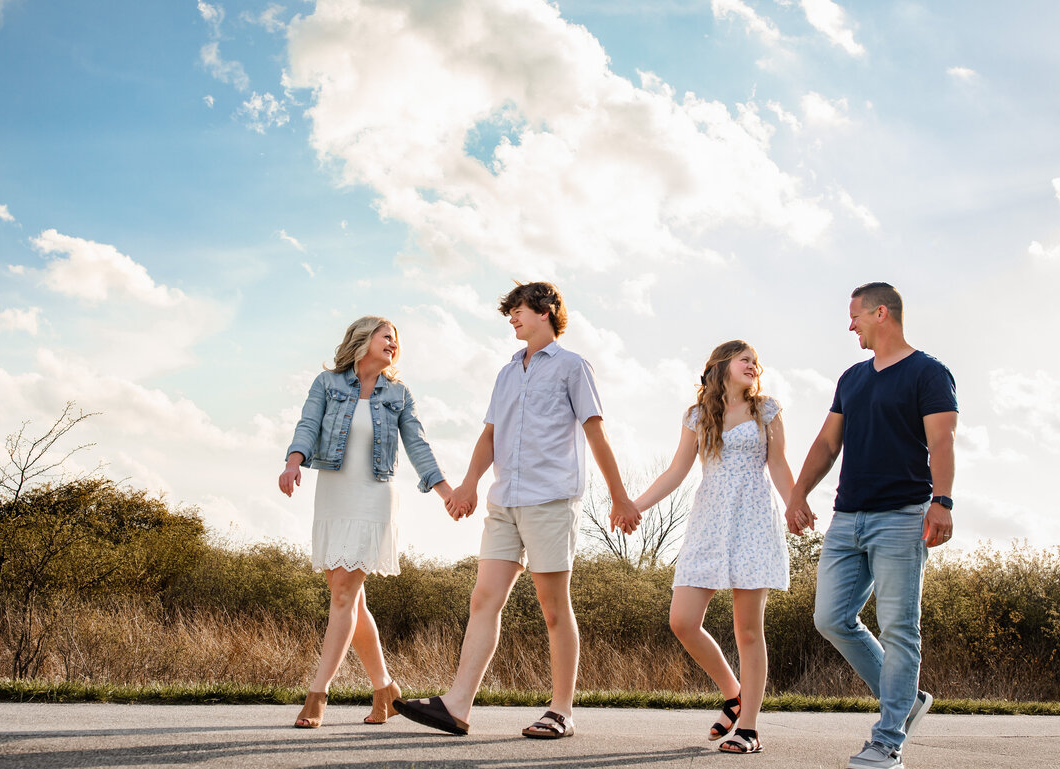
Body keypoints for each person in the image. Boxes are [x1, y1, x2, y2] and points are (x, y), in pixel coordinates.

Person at [393, 281, 640, 739]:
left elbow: (595, 433)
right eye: (510, 312)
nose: (512, 318)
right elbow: (490, 435)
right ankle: (457, 705)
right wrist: (467, 486)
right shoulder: (507, 372)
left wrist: (620, 496)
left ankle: (561, 710)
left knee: (552, 608)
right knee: (484, 599)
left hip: (550, 501)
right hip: (503, 502)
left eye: (519, 310)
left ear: (545, 311)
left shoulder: (572, 367)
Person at [785, 283, 957, 769]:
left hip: (903, 516)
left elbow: (941, 443)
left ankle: (887, 741)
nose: (850, 325)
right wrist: (798, 493)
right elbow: (825, 442)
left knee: (901, 627)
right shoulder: (852, 378)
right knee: (831, 618)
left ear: (881, 313)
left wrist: (941, 502)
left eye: (855, 315)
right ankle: (905, 701)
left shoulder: (929, 373)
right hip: (847, 517)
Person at [279, 316, 453, 729]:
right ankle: (386, 692)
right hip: (334, 495)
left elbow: (417, 444)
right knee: (350, 601)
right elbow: (307, 424)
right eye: (386, 336)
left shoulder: (398, 394)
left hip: (374, 497)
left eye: (396, 340)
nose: (393, 344)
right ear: (364, 339)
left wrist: (446, 491)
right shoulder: (327, 384)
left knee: (342, 595)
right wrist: (293, 462)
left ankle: (317, 694)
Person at [633, 340, 794, 755]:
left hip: (753, 519)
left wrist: (797, 505)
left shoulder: (767, 409)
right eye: (746, 360)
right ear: (722, 365)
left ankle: (750, 728)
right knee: (682, 620)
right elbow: (676, 471)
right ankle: (733, 692)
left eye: (757, 362)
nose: (754, 367)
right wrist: (634, 505)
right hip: (708, 522)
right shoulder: (697, 415)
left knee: (747, 629)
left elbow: (779, 465)